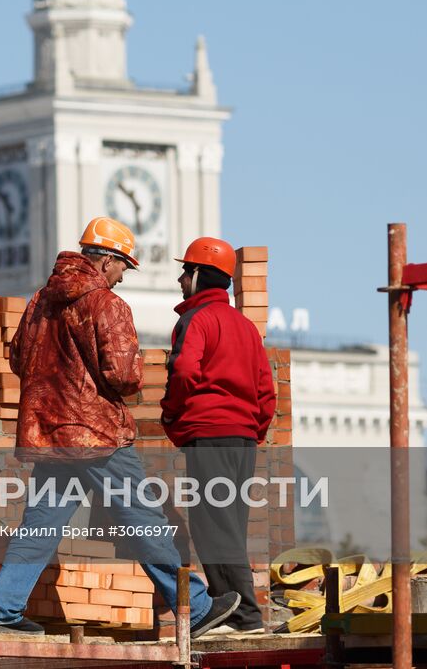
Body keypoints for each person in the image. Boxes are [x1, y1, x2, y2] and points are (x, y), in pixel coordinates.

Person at [0, 216, 241, 639]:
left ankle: (2, 612)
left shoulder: (40, 302)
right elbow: (122, 375)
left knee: (39, 526)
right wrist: (137, 371)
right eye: (123, 267)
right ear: (106, 262)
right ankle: (194, 607)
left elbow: (17, 358)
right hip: (97, 435)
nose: (122, 277)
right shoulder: (106, 304)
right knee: (143, 518)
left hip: (49, 432)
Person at [161, 237, 277, 634]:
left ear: (198, 275)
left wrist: (173, 417)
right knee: (228, 526)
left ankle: (246, 618)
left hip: (209, 435)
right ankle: (236, 613)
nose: (179, 279)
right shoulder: (245, 327)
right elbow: (266, 391)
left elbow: (183, 371)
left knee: (214, 527)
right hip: (242, 439)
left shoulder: (196, 320)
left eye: (184, 271)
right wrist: (252, 430)